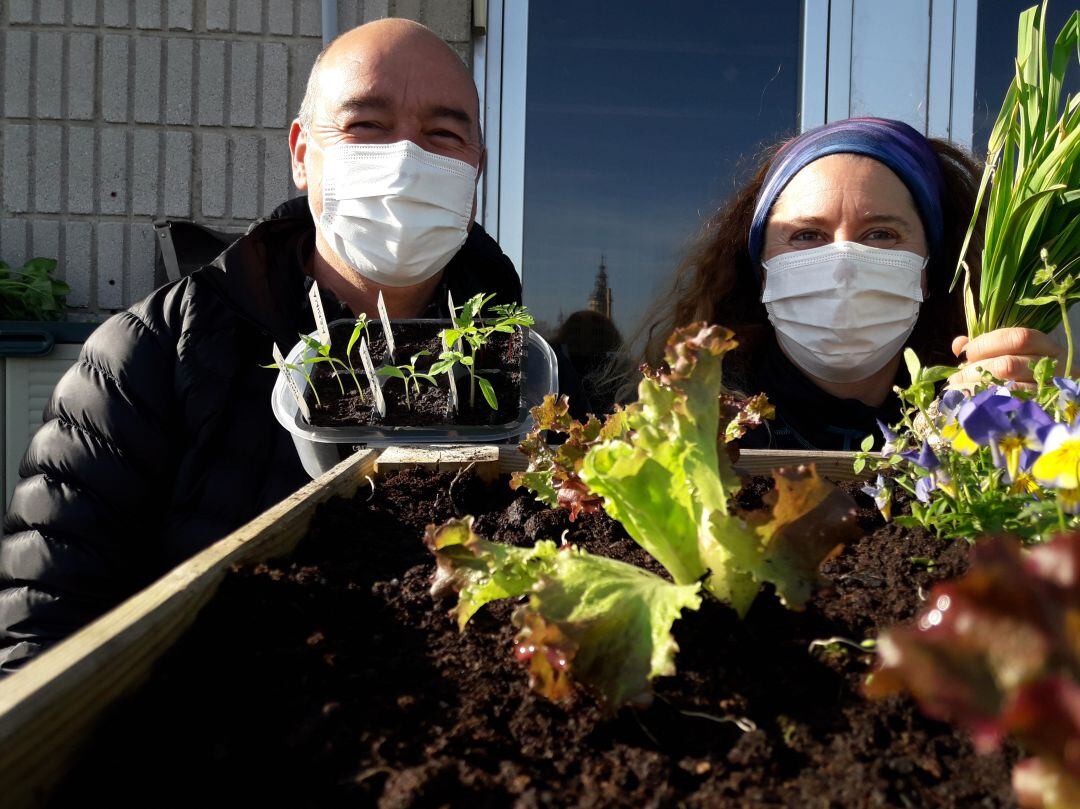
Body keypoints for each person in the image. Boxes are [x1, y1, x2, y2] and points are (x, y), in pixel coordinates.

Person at [0, 20, 523, 671]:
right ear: (303, 154)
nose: (406, 159)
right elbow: (42, 628)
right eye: (366, 126)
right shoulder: (149, 359)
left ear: (475, 166)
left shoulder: (526, 378)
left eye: (443, 135)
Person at [641, 117, 1065, 450]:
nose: (843, 266)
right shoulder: (699, 424)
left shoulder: (975, 396)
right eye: (807, 235)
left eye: (880, 234)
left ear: (931, 269)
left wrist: (1050, 415)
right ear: (761, 269)